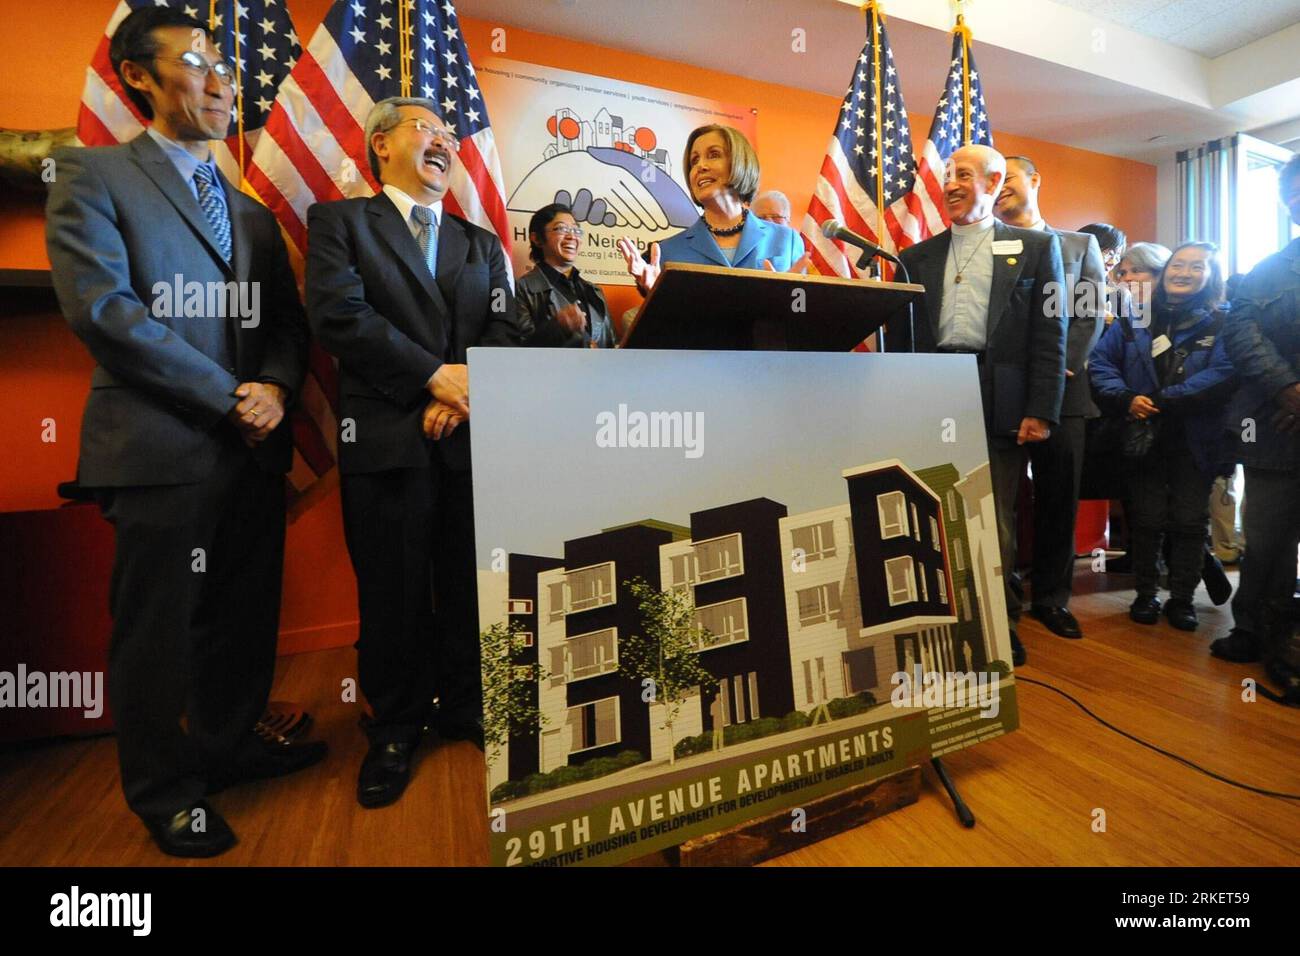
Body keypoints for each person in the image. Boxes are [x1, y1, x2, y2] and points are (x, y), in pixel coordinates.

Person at [43, 6, 321, 858]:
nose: (219, 82)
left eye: (223, 71)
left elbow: (284, 327)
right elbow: (107, 313)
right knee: (158, 632)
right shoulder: (90, 176)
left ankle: (228, 745)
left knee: (241, 618)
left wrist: (274, 386)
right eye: (197, 65)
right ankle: (167, 794)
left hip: (254, 448)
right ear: (137, 76)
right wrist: (230, 395)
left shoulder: (250, 213)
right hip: (160, 448)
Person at [305, 97, 522, 809]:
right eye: (425, 129)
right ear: (380, 146)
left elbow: (501, 330)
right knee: (394, 591)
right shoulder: (340, 223)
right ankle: (395, 727)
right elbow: (340, 315)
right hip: (386, 441)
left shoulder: (481, 242)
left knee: (465, 582)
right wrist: (432, 377)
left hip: (466, 435)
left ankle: (465, 705)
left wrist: (455, 392)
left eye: (449, 135)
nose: (443, 142)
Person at [890, 144, 1068, 667]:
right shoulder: (914, 257)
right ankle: (949, 618)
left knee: (996, 520)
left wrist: (1041, 408)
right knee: (937, 512)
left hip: (1002, 397)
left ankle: (999, 623)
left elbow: (1049, 336)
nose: (950, 183)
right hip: (931, 394)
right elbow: (901, 341)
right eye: (947, 175)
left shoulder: (1035, 249)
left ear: (993, 183)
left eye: (963, 174)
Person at [1088, 241, 1235, 631]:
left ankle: (1183, 599)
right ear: (1166, 270)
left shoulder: (1224, 322)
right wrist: (1126, 399)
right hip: (1141, 436)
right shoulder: (1131, 319)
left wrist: (1162, 400)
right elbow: (1102, 364)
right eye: (1178, 264)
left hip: (1195, 439)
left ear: (1211, 277)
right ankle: (1146, 595)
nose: (1183, 272)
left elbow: (1223, 373)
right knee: (1147, 520)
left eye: (1196, 267)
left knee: (1189, 522)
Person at [994, 155, 1106, 640]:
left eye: (1010, 179)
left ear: (1035, 180)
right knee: (1001, 500)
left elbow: (1090, 312)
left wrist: (1058, 368)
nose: (1001, 189)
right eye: (993, 182)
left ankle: (1052, 598)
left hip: (1066, 389)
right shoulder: (986, 246)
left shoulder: (1081, 245)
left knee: (1060, 497)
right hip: (1000, 392)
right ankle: (1004, 598)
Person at [1212, 155, 1300, 690]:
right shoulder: (1264, 271)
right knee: (1268, 537)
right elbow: (1242, 335)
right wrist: (1288, 389)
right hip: (1275, 424)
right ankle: (1256, 631)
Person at [616, 124, 808, 293]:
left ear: (740, 164)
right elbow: (668, 326)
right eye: (694, 161)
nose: (700, 166)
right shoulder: (668, 252)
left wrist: (789, 299)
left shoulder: (787, 240)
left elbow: (803, 312)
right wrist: (655, 294)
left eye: (713, 155)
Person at [516, 203, 616, 348]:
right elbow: (517, 350)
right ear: (536, 238)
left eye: (576, 230)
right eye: (561, 228)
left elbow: (612, 345)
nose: (572, 236)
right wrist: (557, 327)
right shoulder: (522, 289)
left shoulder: (595, 291)